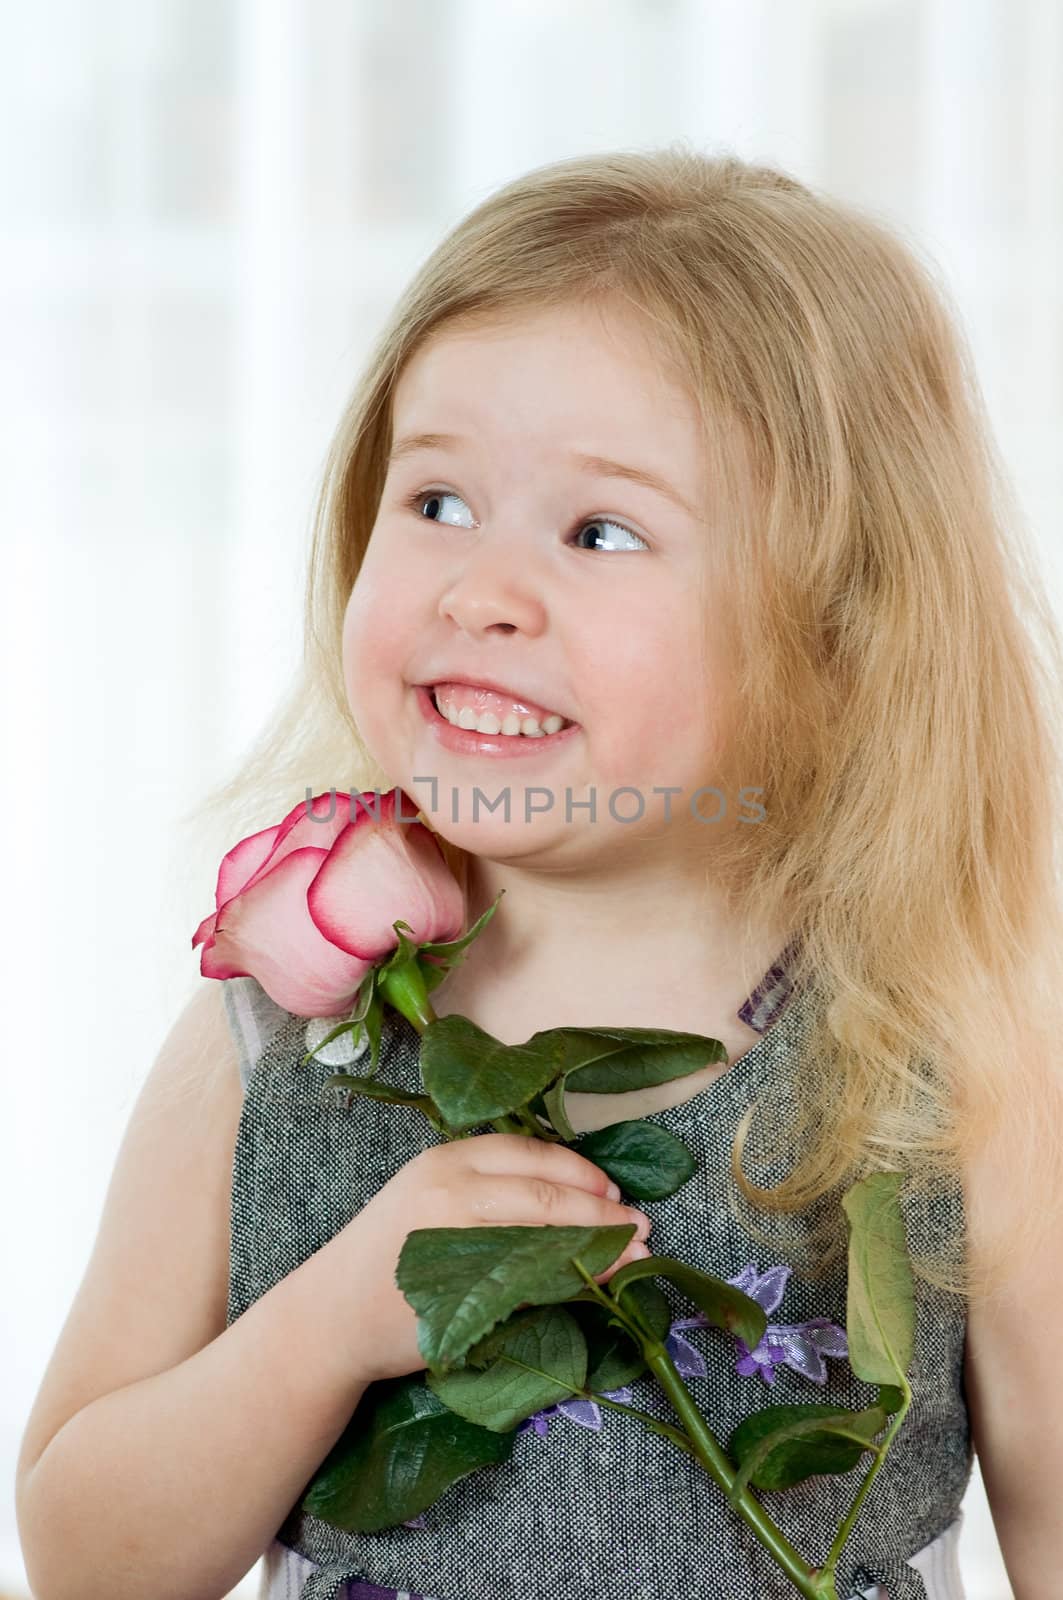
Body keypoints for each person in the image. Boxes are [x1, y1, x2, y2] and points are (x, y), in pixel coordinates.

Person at [16, 146, 1063, 1600]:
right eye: (435, 500)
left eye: (601, 531)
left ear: (837, 636)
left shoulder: (945, 1070)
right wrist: (331, 1323)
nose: (482, 590)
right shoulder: (270, 1048)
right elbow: (83, 1557)